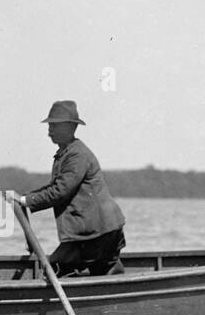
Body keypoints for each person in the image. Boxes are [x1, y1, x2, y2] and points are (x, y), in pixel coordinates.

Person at [7, 100, 126, 276]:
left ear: (70, 128)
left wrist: (25, 201)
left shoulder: (77, 154)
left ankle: (113, 278)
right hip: (100, 230)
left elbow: (60, 191)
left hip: (98, 232)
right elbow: (55, 186)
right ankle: (112, 277)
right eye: (50, 125)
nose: (49, 131)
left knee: (53, 270)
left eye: (55, 126)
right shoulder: (66, 153)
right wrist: (25, 197)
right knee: (100, 270)